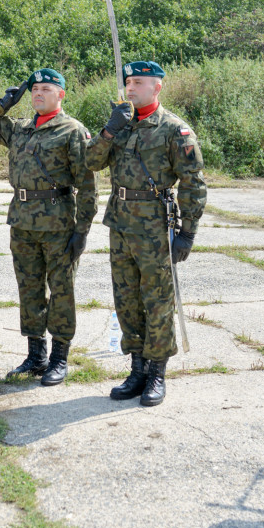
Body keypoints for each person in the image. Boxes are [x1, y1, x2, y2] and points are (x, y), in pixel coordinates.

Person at [85, 61, 207, 406]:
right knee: (126, 299)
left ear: (157, 87)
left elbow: (193, 184)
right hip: (121, 224)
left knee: (157, 301)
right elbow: (91, 162)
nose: (131, 88)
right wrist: (109, 131)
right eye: (128, 82)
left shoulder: (174, 129)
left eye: (139, 82)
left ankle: (157, 372)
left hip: (155, 226)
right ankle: (137, 369)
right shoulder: (120, 124)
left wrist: (187, 232)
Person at [0, 68, 98, 385]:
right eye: (34, 90)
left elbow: (87, 186)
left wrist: (82, 230)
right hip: (22, 222)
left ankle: (59, 358)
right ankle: (35, 355)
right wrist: (3, 104)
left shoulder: (72, 131)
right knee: (29, 289)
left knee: (61, 291)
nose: (38, 94)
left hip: (58, 224)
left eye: (46, 89)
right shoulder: (20, 129)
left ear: (61, 94)